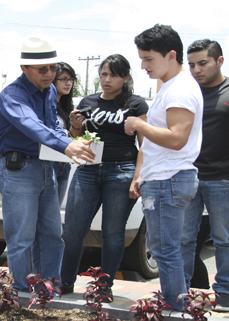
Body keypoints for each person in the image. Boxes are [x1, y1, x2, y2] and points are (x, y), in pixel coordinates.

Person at [0, 36, 95, 292]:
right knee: (22, 238)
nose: (50, 74)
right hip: (18, 171)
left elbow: (51, 126)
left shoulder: (49, 90)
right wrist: (66, 145)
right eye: (42, 69)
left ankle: (50, 286)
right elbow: (32, 126)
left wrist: (74, 141)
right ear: (24, 68)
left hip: (44, 168)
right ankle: (23, 289)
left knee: (52, 233)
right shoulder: (12, 95)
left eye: (53, 68)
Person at [125, 24, 204, 311]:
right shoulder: (171, 86)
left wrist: (138, 124)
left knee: (166, 251)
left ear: (171, 55)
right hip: (162, 179)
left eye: (148, 58)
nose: (143, 65)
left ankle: (175, 309)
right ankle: (178, 305)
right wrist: (141, 174)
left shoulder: (180, 89)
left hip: (168, 180)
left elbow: (177, 138)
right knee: (167, 249)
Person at [60, 54, 148, 300]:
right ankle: (65, 281)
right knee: (74, 230)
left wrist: (137, 177)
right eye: (103, 74)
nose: (107, 80)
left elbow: (145, 145)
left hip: (121, 170)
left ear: (126, 77)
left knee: (113, 231)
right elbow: (76, 139)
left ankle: (104, 286)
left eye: (113, 75)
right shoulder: (88, 101)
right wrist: (76, 125)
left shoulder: (135, 104)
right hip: (88, 169)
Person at [180, 39, 229, 312]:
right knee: (184, 240)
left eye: (203, 63)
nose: (196, 69)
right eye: (191, 65)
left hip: (225, 178)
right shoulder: (187, 91)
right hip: (187, 177)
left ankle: (224, 293)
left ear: (219, 61)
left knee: (225, 239)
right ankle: (183, 291)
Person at [51, 62, 76, 204]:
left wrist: (77, 125)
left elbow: (71, 138)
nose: (68, 83)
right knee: (47, 215)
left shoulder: (67, 107)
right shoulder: (44, 105)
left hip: (64, 164)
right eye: (64, 79)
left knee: (54, 212)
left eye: (71, 79)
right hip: (49, 163)